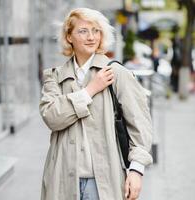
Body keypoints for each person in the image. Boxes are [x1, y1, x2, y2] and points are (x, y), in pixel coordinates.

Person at [39, 8, 153, 200]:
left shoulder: (116, 73)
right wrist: (89, 90)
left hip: (103, 182)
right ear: (69, 36)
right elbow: (51, 117)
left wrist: (136, 170)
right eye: (83, 31)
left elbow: (140, 126)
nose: (91, 37)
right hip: (62, 181)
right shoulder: (55, 77)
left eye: (96, 30)